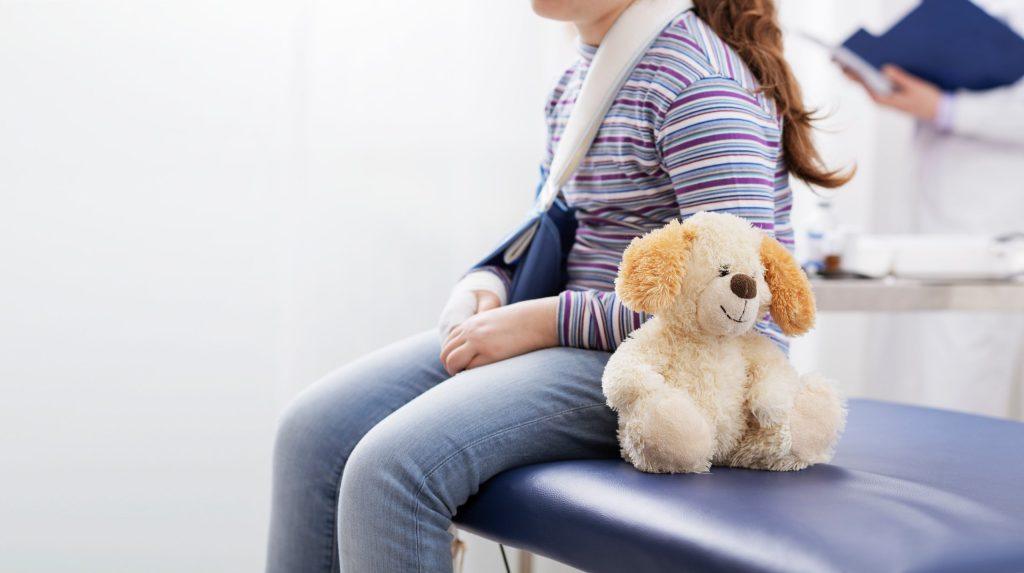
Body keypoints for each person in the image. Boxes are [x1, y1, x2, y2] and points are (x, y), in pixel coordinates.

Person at [265, 0, 850, 571]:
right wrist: (493, 280)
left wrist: (542, 321)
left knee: (393, 469)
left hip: (684, 365)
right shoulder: (580, 78)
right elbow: (560, 224)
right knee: (313, 431)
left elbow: (739, 308)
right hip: (586, 340)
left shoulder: (700, 87)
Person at [846, 0, 1024, 419]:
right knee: (904, 377)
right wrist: (886, 80)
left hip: (985, 226)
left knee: (960, 378)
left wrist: (944, 109)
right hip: (926, 209)